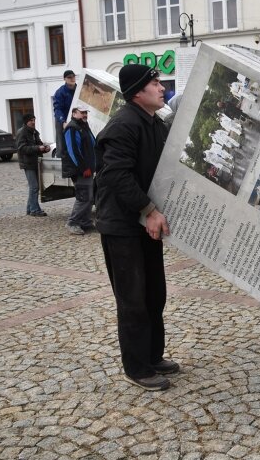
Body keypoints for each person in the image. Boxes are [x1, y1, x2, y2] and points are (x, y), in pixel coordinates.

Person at [95, 64, 177, 391]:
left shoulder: (153, 122)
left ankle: (153, 357)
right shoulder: (124, 124)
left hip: (144, 222)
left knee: (154, 294)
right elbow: (115, 175)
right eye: (155, 83)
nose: (161, 87)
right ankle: (137, 368)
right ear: (138, 92)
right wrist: (149, 209)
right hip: (123, 226)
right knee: (133, 299)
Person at [61, 107, 97, 235]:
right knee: (83, 197)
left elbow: (92, 145)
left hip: (87, 169)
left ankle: (85, 222)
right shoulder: (72, 128)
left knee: (89, 197)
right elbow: (73, 151)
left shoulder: (83, 126)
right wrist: (83, 168)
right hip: (80, 170)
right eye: (82, 112)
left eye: (86, 112)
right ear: (74, 113)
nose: (85, 114)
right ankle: (73, 222)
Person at [15, 114, 51, 217]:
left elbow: (39, 144)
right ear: (26, 122)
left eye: (34, 120)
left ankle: (30, 209)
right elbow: (22, 148)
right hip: (28, 163)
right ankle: (35, 210)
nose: (33, 122)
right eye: (31, 120)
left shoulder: (35, 132)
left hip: (36, 162)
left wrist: (45, 148)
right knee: (34, 187)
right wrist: (37, 148)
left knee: (34, 187)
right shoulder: (22, 132)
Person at [53, 70, 77, 156]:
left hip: (76, 119)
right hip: (63, 119)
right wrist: (63, 121)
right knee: (62, 142)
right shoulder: (60, 92)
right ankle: (61, 156)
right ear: (65, 79)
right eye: (69, 77)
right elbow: (57, 109)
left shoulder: (79, 89)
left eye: (73, 76)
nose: (72, 79)